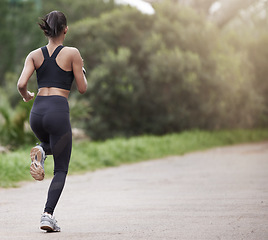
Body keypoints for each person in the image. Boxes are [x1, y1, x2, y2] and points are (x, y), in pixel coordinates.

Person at [17, 10, 87, 232]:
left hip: (37, 112)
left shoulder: (34, 55)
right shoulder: (73, 53)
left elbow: (21, 84)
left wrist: (26, 95)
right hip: (58, 110)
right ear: (65, 29)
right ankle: (47, 215)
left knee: (52, 147)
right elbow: (83, 88)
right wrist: (81, 70)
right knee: (61, 169)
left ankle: (40, 148)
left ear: (46, 29)